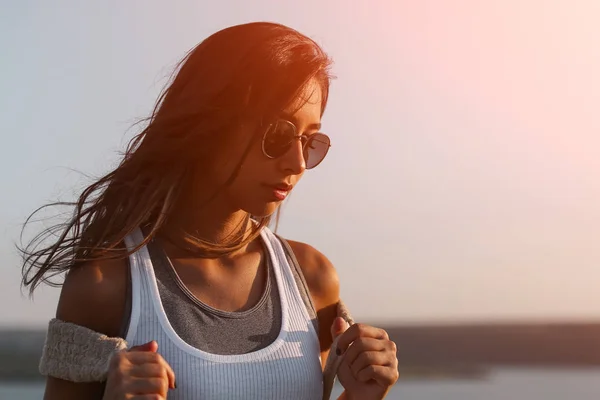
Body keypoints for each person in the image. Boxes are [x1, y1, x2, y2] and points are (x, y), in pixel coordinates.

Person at [20, 22, 399, 400]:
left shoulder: (313, 278)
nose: (297, 162)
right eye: (278, 135)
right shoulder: (106, 285)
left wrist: (362, 395)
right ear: (213, 121)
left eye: (309, 140)